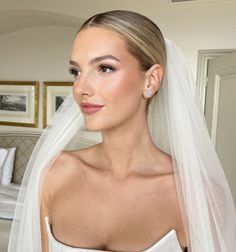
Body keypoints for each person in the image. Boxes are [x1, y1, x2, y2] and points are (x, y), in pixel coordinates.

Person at [8, 10, 236, 252]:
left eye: (105, 68)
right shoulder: (55, 174)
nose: (80, 88)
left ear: (151, 81)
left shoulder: (198, 197)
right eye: (76, 72)